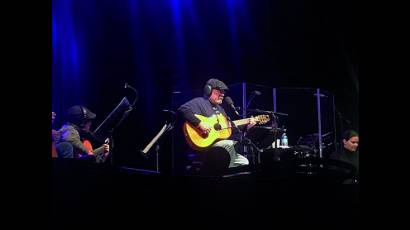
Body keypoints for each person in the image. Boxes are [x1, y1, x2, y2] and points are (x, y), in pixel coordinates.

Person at [178, 78, 257, 174]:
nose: (223, 94)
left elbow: (229, 129)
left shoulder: (221, 110)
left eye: (224, 92)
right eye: (220, 91)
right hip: (206, 148)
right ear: (208, 90)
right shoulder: (200, 102)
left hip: (220, 147)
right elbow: (183, 109)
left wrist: (247, 126)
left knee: (244, 162)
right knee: (228, 145)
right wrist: (199, 123)